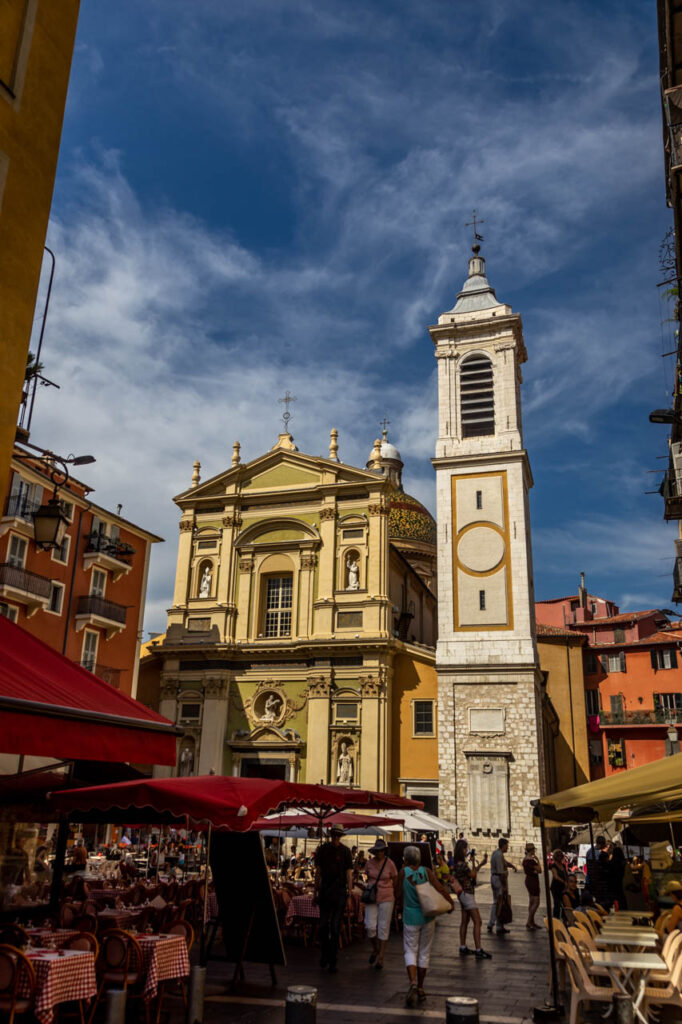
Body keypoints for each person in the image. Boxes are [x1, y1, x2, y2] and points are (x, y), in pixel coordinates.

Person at [396, 845, 454, 1007]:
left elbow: (398, 895)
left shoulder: (402, 873)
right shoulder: (427, 872)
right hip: (428, 917)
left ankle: (413, 983)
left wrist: (400, 907)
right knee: (424, 952)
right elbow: (440, 888)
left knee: (410, 950)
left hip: (410, 918)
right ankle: (421, 987)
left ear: (406, 859)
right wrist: (450, 903)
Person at [313, 824, 353, 973]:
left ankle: (333, 960)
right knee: (323, 926)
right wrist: (315, 892)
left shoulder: (346, 851)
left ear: (340, 836)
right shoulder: (322, 850)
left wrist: (349, 893)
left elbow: (349, 873)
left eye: (338, 835)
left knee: (335, 927)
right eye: (334, 835)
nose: (336, 838)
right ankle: (324, 955)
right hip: (325, 890)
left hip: (340, 891)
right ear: (331, 836)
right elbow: (318, 872)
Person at [452, 838, 490, 959]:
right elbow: (473, 875)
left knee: (465, 921)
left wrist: (481, 864)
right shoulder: (462, 864)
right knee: (478, 921)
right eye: (465, 849)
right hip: (467, 894)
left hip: (463, 894)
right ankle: (479, 949)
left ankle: (463, 946)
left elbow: (471, 874)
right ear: (461, 850)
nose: (466, 850)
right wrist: (473, 862)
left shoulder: (458, 863)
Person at [363, 839, 398, 970]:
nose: (379, 853)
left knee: (383, 926)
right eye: (377, 851)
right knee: (370, 926)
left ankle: (381, 958)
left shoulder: (390, 864)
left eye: (381, 851)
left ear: (384, 851)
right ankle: (375, 949)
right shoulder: (369, 863)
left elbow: (395, 878)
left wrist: (391, 890)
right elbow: (365, 875)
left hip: (387, 897)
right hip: (372, 897)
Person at [487, 838, 517, 934]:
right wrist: (504, 886)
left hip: (496, 879)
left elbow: (505, 863)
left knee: (500, 902)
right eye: (507, 845)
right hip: (498, 880)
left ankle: (499, 925)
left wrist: (511, 865)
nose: (508, 847)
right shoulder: (499, 855)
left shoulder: (497, 853)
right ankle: (491, 923)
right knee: (498, 902)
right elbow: (501, 873)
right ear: (503, 845)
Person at [522, 843, 541, 930]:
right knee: (536, 903)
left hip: (528, 880)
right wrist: (538, 860)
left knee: (531, 902)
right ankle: (529, 922)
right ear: (532, 850)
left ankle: (531, 922)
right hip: (533, 881)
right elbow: (540, 870)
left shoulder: (525, 859)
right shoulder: (531, 860)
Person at [550, 849, 569, 920]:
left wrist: (567, 882)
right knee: (557, 904)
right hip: (556, 887)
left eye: (560, 856)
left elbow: (565, 874)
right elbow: (555, 876)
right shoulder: (553, 866)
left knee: (564, 903)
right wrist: (564, 882)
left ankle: (564, 918)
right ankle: (556, 918)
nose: (560, 857)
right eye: (558, 856)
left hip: (563, 887)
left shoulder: (563, 865)